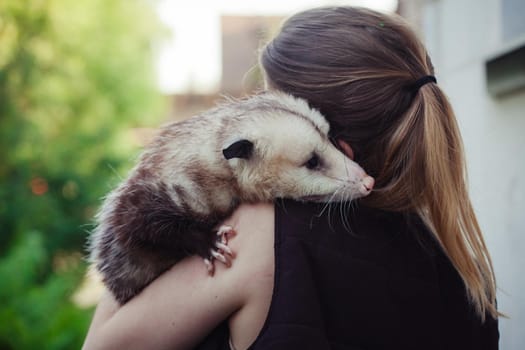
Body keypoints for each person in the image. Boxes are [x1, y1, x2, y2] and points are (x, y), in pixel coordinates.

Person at [82, 6, 499, 350]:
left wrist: (147, 178)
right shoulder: (465, 274)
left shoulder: (259, 233)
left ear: (331, 144)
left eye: (271, 103)